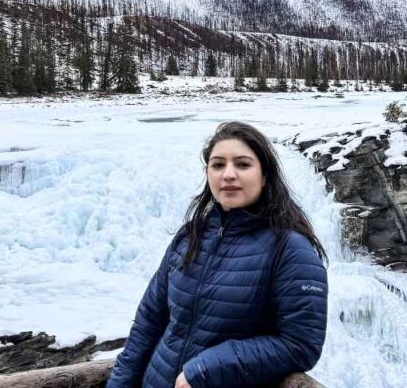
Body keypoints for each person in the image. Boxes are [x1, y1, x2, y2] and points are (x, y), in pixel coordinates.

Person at [107, 121, 328, 388]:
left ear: (265, 175)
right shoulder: (190, 236)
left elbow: (301, 344)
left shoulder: (290, 249)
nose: (228, 175)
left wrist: (205, 369)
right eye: (218, 164)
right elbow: (149, 322)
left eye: (243, 164)